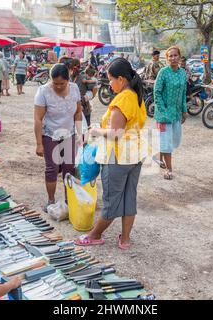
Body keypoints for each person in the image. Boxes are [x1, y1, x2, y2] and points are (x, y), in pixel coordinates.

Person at [74, 58, 147, 250]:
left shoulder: (122, 100)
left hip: (117, 157)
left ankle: (94, 235)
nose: (110, 84)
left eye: (111, 80)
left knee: (111, 200)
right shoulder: (136, 96)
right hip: (135, 155)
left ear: (121, 79)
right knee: (129, 197)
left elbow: (115, 134)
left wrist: (95, 131)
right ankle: (125, 239)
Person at [34, 63, 83, 212]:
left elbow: (78, 113)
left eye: (62, 83)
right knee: (52, 168)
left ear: (68, 80)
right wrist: (39, 144)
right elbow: (38, 119)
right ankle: (51, 200)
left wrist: (80, 134)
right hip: (50, 135)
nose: (59, 86)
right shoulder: (43, 91)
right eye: (55, 83)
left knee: (69, 168)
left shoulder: (74, 89)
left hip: (69, 133)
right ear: (51, 80)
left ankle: (69, 200)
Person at [153, 46, 188, 180]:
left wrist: (184, 111)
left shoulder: (182, 73)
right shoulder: (163, 72)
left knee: (175, 140)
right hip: (164, 115)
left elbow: (184, 93)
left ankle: (158, 156)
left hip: (177, 113)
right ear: (167, 59)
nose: (173, 58)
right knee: (167, 142)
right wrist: (163, 110)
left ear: (179, 57)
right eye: (170, 56)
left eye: (175, 55)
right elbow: (157, 92)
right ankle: (168, 169)